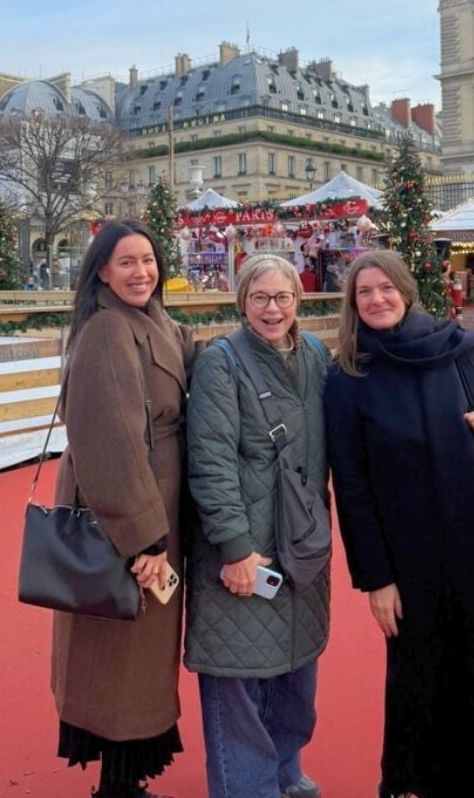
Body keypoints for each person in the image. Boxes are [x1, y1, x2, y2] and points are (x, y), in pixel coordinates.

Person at [324, 249, 474, 798]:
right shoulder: (349, 375)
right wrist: (375, 579)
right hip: (408, 560)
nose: (376, 300)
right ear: (354, 304)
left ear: (404, 290)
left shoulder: (458, 350)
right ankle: (414, 782)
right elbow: (351, 486)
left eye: (385, 288)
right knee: (418, 676)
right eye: (364, 293)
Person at [50, 219, 196, 798]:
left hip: (152, 505)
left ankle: (126, 778)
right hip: (126, 514)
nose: (142, 272)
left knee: (137, 651)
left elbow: (197, 358)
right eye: (127, 262)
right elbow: (107, 439)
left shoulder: (154, 320)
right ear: (102, 271)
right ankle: (115, 785)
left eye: (149, 260)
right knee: (119, 648)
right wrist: (144, 540)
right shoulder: (109, 329)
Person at [185, 254, 330, 798]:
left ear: (299, 300)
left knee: (295, 665)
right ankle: (248, 788)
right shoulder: (223, 363)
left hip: (301, 540)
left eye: (284, 297)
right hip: (245, 543)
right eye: (260, 298)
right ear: (242, 301)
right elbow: (211, 459)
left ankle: (285, 770)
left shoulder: (315, 353)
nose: (273, 309)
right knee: (238, 679)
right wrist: (234, 547)